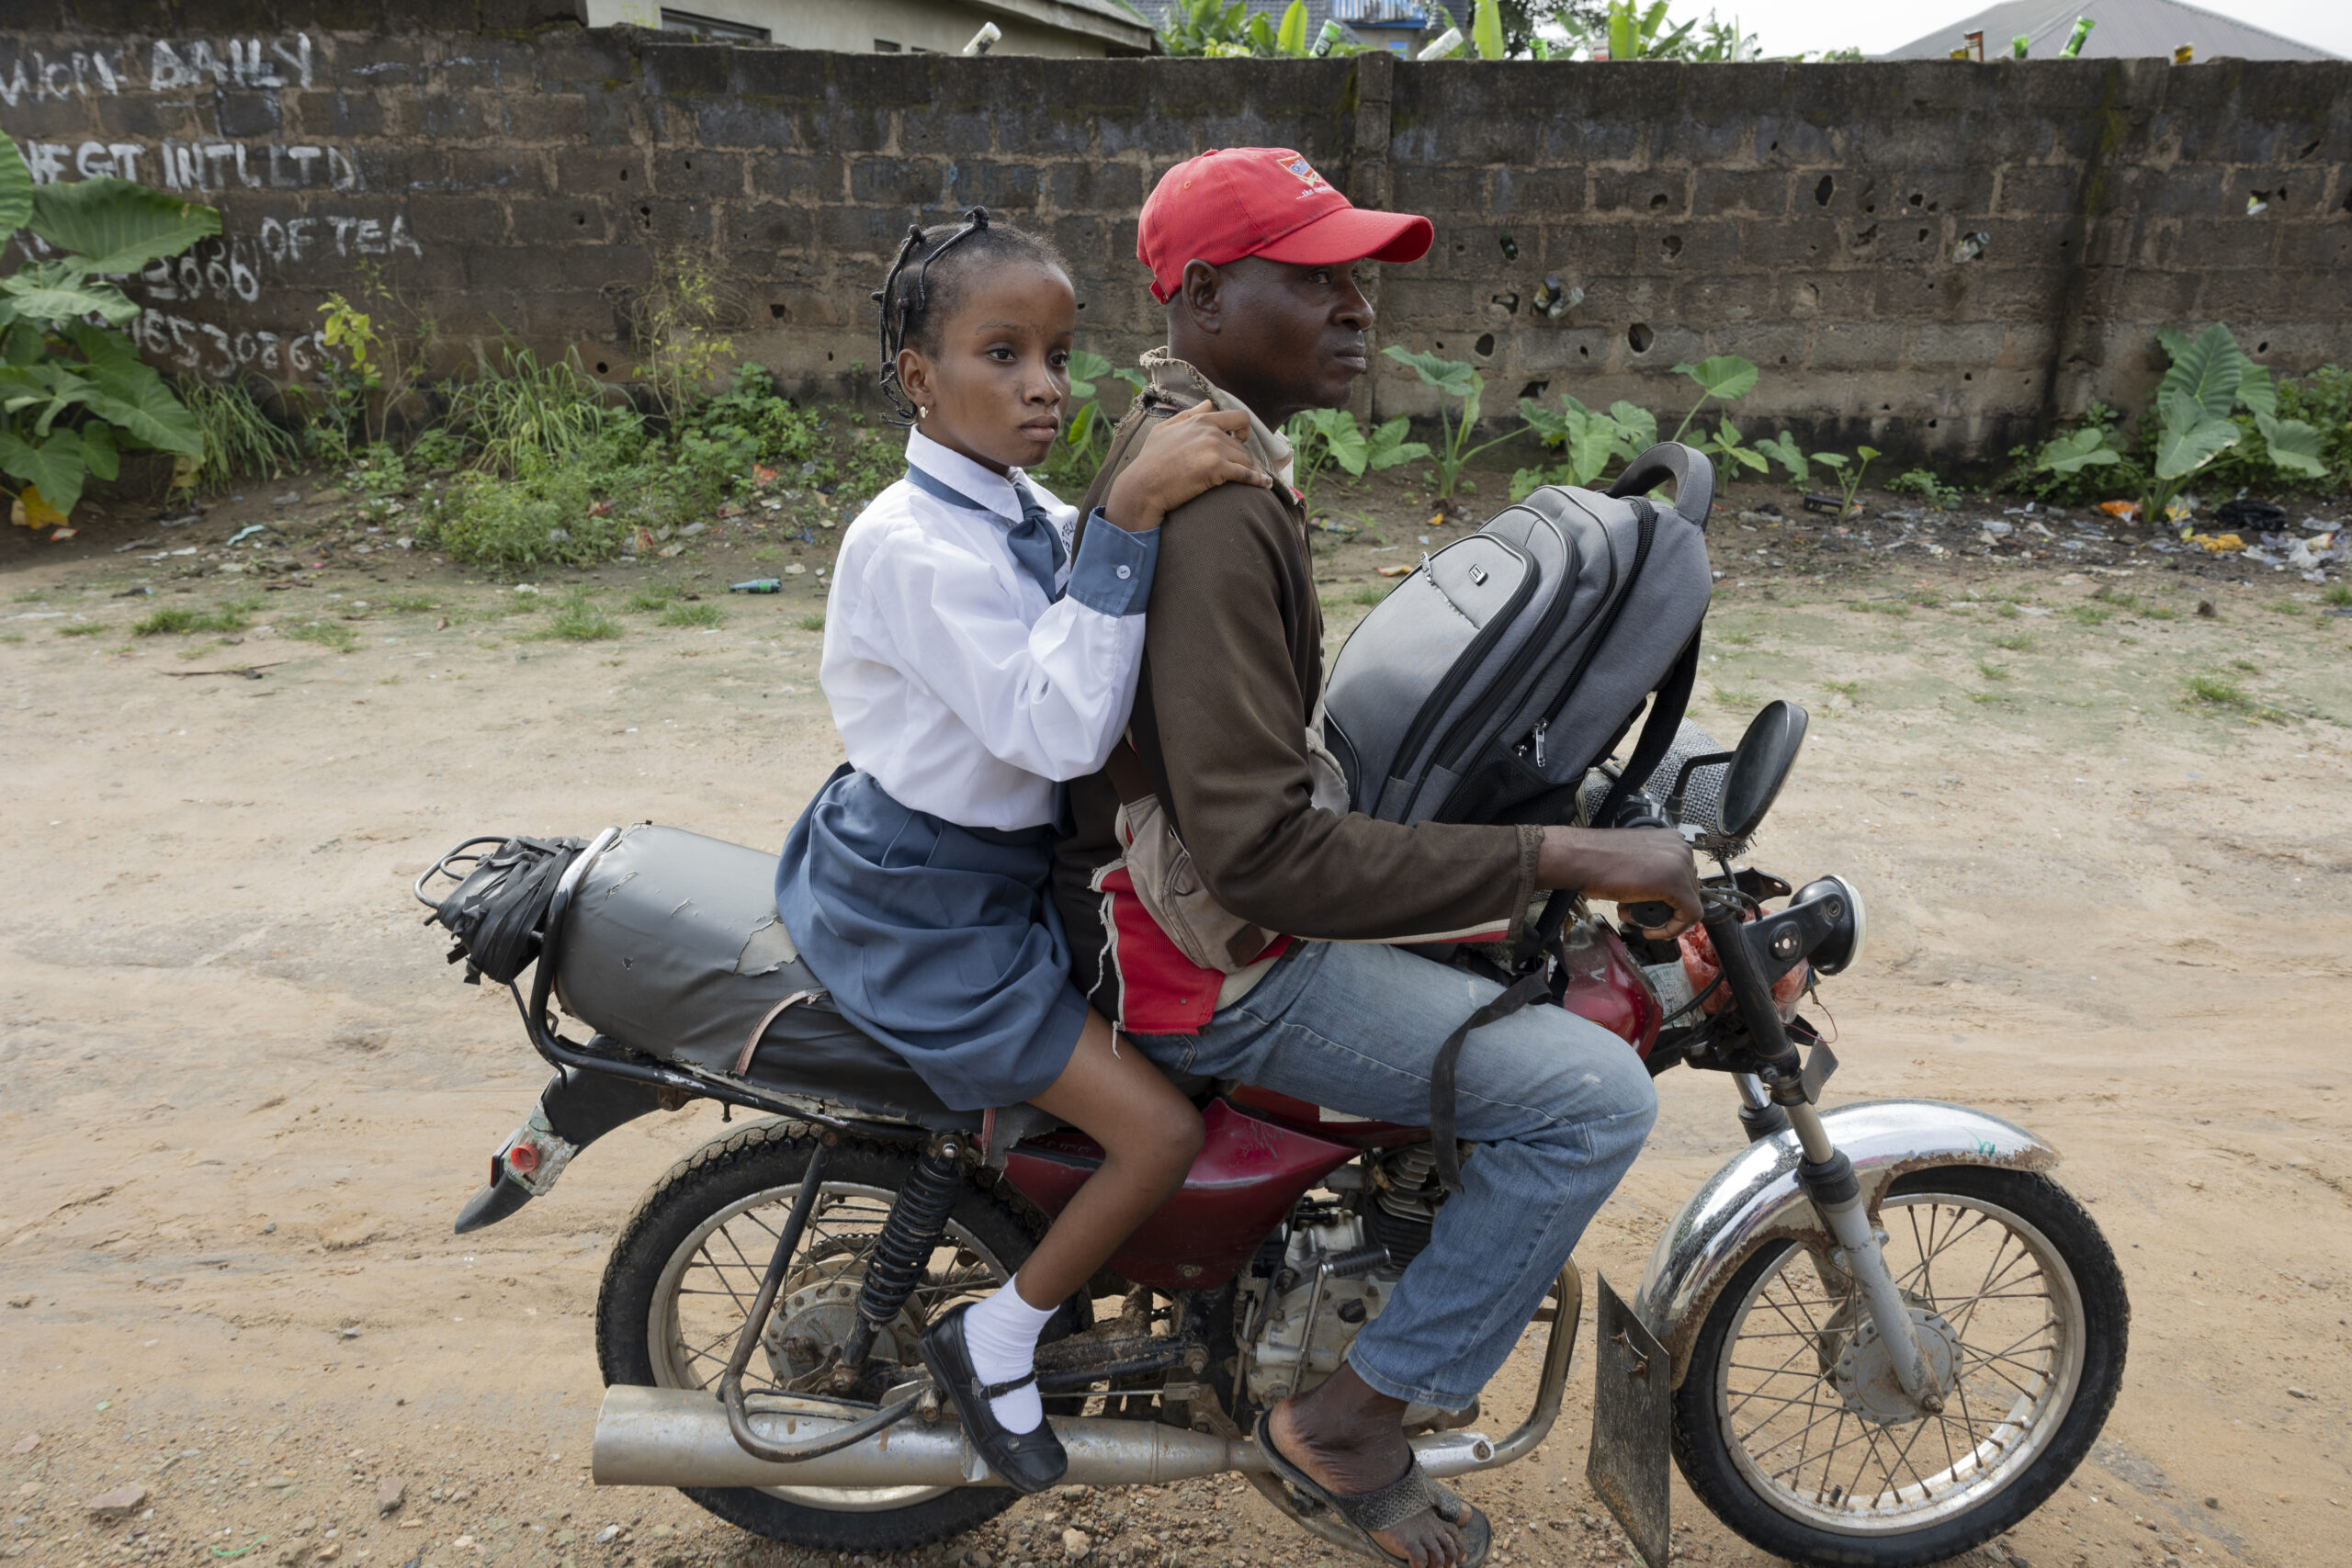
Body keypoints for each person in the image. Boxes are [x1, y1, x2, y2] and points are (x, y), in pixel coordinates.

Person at [1052, 151, 1704, 1568]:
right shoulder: (1219, 503)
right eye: (1319, 276)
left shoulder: (1205, 442)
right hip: (1219, 957)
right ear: (1209, 293)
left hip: (1188, 901)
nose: (1359, 307)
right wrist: (1558, 853)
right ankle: (1349, 1423)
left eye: (1362, 277)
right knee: (1588, 1098)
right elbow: (1265, 856)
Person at [774, 209, 1271, 1495]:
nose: (1044, 386)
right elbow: (1055, 724)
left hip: (995, 874)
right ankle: (992, 1340)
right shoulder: (910, 545)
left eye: (1058, 353)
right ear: (918, 379)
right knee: (1157, 1133)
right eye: (1003, 354)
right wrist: (1135, 515)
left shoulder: (1012, 502)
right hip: (927, 905)